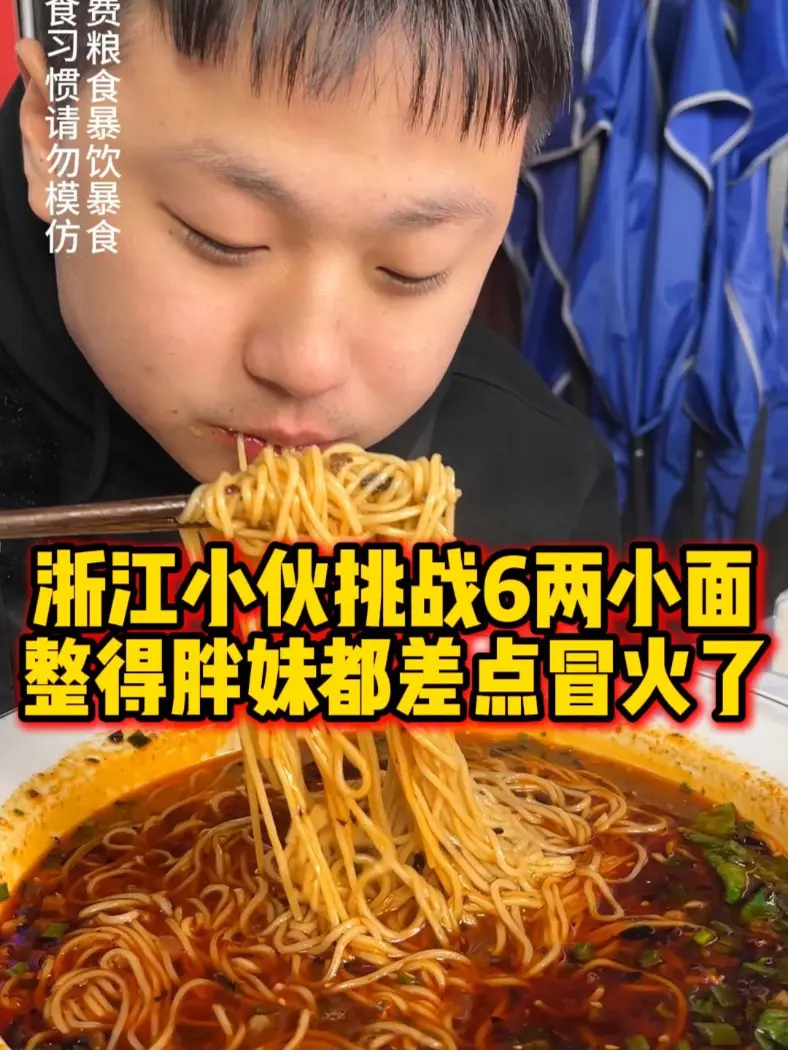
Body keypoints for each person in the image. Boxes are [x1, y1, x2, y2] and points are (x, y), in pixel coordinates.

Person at [0, 0, 620, 706]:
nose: (306, 365)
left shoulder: (542, 491)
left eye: (412, 268)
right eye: (223, 236)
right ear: (54, 140)